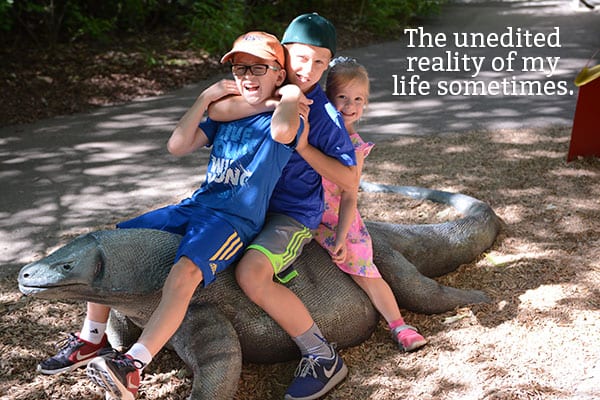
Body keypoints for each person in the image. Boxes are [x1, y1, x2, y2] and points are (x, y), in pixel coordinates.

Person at [36, 31, 308, 400]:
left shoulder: (287, 112)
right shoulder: (226, 112)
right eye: (241, 67)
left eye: (259, 67)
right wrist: (204, 98)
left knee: (185, 274)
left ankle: (133, 366)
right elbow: (177, 145)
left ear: (279, 73)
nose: (247, 75)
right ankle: (91, 338)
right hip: (195, 205)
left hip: (232, 220)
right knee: (113, 243)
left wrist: (289, 94)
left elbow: (283, 129)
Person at [208, 13, 358, 400]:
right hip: (240, 202)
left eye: (321, 62)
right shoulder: (256, 87)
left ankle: (322, 354)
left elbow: (350, 180)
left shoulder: (322, 114)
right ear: (282, 56)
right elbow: (213, 120)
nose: (309, 70)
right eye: (301, 58)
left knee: (252, 274)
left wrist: (305, 146)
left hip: (289, 214)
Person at [315, 56, 428, 352]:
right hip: (305, 216)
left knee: (365, 271)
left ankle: (398, 325)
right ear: (327, 97)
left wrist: (341, 235)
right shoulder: (314, 134)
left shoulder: (355, 146)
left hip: (339, 220)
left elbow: (351, 194)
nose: (349, 106)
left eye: (358, 99)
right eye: (341, 97)